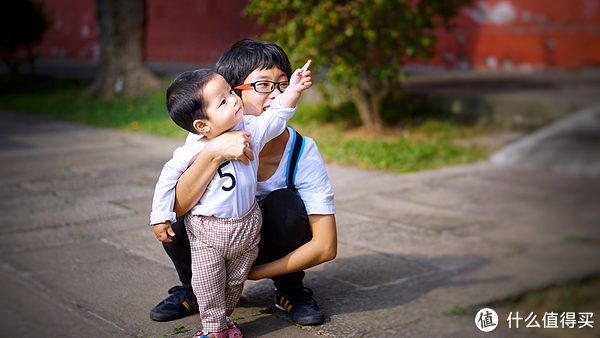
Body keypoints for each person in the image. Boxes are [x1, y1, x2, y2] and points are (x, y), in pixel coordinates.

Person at [150, 39, 337, 326]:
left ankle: (289, 289)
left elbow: (326, 246)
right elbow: (176, 205)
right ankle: (194, 288)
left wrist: (252, 273)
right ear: (231, 92)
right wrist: (212, 153)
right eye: (263, 85)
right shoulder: (205, 138)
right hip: (212, 243)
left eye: (283, 84)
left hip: (260, 246)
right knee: (173, 213)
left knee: (285, 203)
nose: (276, 95)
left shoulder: (302, 152)